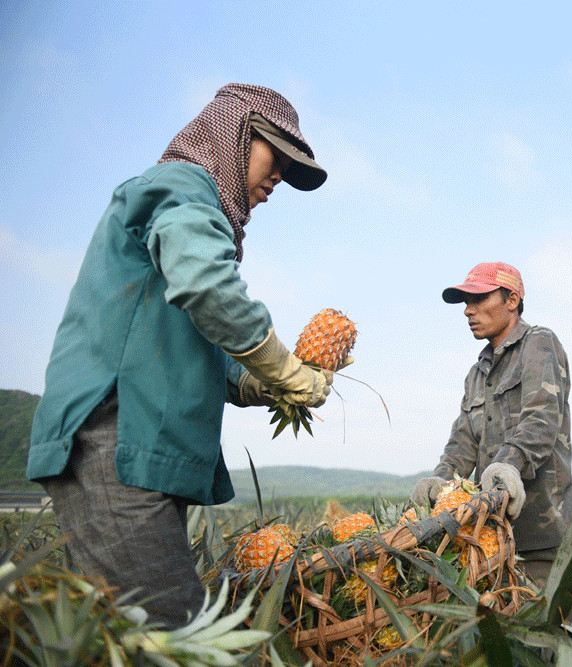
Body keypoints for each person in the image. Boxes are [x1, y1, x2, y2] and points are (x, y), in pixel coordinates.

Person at [27, 83, 340, 628]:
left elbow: (195, 340)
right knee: (177, 637)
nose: (278, 179)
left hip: (135, 450)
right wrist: (284, 368)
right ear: (234, 133)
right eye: (275, 158)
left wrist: (257, 383)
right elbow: (206, 285)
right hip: (116, 441)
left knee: (132, 639)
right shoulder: (182, 185)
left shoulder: (186, 207)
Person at [410, 262, 572, 588]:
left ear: (511, 300)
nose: (468, 310)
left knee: (545, 616)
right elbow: (462, 441)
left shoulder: (538, 343)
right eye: (465, 302)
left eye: (479, 299)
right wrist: (441, 479)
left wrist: (508, 464)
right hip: (489, 537)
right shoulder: (476, 374)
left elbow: (541, 418)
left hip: (542, 535)